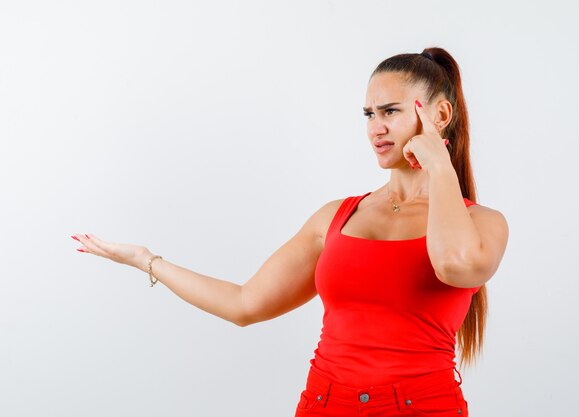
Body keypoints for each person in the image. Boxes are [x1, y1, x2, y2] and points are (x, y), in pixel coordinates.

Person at [71, 46, 508, 417]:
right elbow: (245, 304)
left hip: (423, 407)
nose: (375, 127)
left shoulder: (482, 223)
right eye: (368, 113)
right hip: (323, 404)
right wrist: (147, 259)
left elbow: (455, 265)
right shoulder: (336, 217)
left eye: (391, 111)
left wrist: (438, 166)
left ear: (441, 115)